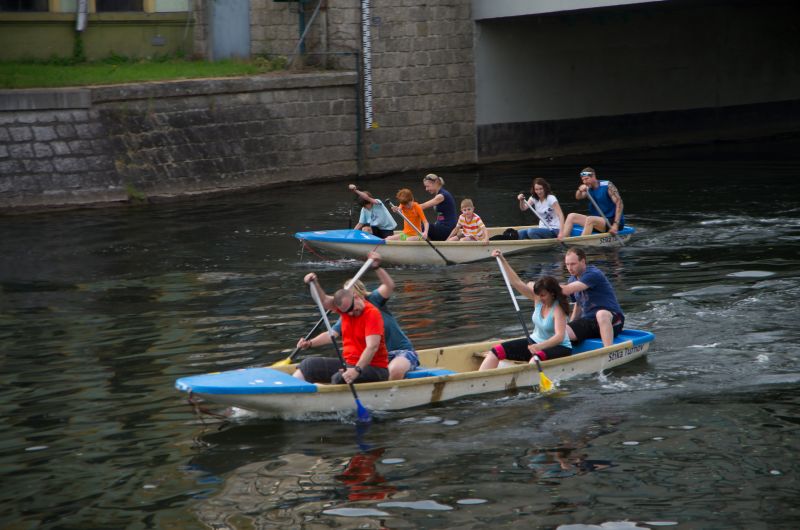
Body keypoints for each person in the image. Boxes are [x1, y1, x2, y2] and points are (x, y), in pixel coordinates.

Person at [297, 252, 420, 380]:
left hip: (400, 352)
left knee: (394, 370)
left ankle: (390, 391)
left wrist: (376, 267)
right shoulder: (348, 313)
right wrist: (309, 343)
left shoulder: (374, 300)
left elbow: (389, 286)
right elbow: (330, 333)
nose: (350, 312)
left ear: (356, 295)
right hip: (373, 359)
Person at [293, 262, 390, 385]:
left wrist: (356, 370)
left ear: (356, 296)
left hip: (375, 369)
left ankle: (323, 392)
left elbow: (372, 347)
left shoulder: (372, 314)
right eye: (347, 312)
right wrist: (314, 283)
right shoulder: (346, 309)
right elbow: (323, 300)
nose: (351, 313)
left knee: (338, 377)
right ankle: (293, 388)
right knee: (309, 364)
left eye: (352, 309)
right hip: (349, 364)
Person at [479, 250, 572, 371]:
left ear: (552, 294)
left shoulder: (558, 309)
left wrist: (540, 346)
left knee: (534, 360)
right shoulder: (538, 299)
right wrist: (502, 260)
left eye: (543, 295)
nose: (540, 298)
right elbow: (516, 282)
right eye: (538, 295)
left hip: (560, 347)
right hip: (535, 342)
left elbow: (559, 337)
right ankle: (481, 379)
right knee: (496, 351)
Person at [560, 247, 624, 347]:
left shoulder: (593, 274)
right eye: (567, 264)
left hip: (613, 320)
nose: (569, 268)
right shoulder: (571, 280)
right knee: (562, 331)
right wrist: (571, 324)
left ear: (583, 261)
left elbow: (566, 290)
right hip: (590, 321)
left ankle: (608, 351)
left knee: (601, 314)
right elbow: (578, 305)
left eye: (573, 264)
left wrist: (543, 287)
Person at [559, 167, 625, 240]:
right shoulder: (588, 188)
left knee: (590, 219)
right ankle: (563, 240)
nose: (584, 182)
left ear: (593, 176)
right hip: (598, 222)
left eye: (586, 179)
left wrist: (616, 224)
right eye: (583, 180)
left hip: (612, 222)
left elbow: (619, 203)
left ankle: (582, 244)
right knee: (571, 216)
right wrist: (580, 190)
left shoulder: (607, 185)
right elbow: (578, 197)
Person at [419, 173, 457, 241]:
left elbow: (423, 206)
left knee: (421, 227)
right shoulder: (439, 194)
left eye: (428, 186)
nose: (426, 189)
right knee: (422, 228)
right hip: (442, 226)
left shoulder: (441, 196)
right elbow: (441, 216)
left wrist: (405, 207)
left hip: (447, 230)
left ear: (435, 183)